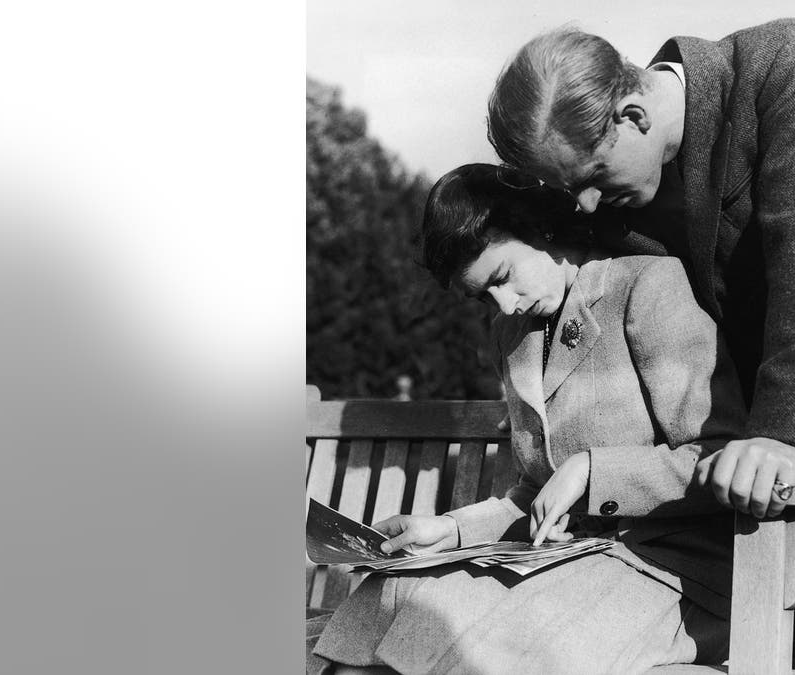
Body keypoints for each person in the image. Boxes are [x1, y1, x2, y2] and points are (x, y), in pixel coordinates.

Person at [307, 164, 748, 674]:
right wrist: (449, 530)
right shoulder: (514, 337)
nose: (504, 305)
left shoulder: (648, 287)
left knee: (460, 625)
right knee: (394, 589)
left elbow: (719, 458)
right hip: (569, 565)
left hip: (677, 575)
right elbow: (532, 493)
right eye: (483, 296)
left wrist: (592, 471)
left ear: (540, 229)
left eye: (502, 277)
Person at [486, 19, 795, 517]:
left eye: (594, 176)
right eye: (570, 190)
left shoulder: (788, 65)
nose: (586, 207)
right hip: (730, 478)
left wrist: (784, 434)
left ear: (633, 115)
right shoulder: (605, 205)